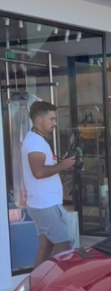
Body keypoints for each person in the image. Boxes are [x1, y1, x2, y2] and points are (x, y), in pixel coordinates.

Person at [21, 101, 76, 269]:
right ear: (39, 119)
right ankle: (61, 281)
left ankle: (36, 281)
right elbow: (38, 172)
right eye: (51, 119)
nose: (55, 123)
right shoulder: (35, 142)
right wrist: (62, 166)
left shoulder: (35, 139)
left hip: (41, 203)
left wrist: (60, 164)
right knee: (64, 247)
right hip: (46, 205)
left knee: (46, 247)